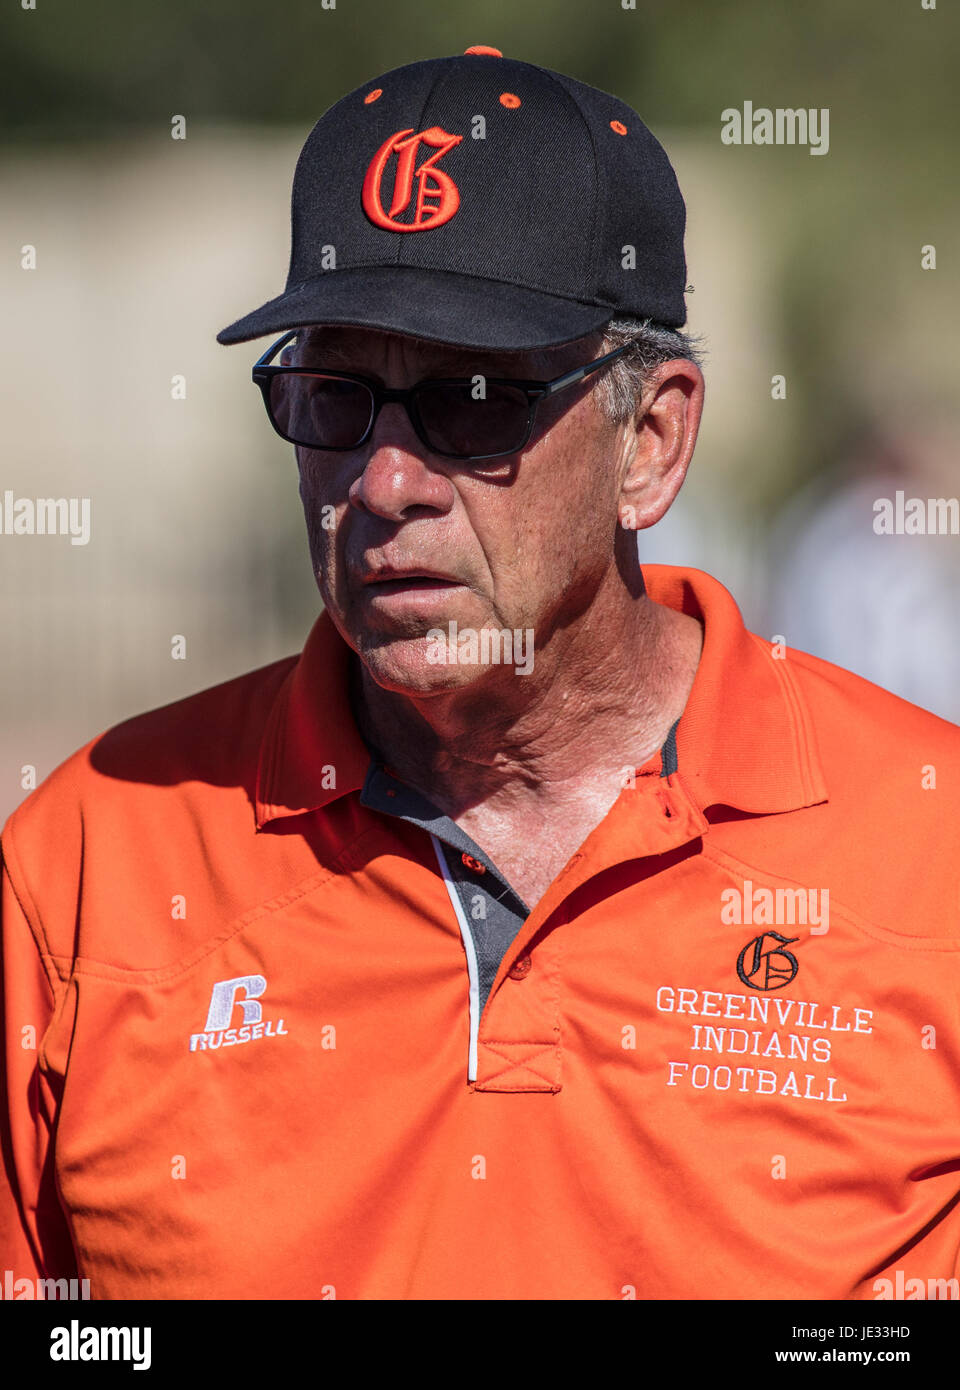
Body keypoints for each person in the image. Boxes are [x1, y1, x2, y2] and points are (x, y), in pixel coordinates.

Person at [2, 46, 958, 1303]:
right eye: (335, 397)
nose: (385, 482)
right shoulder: (90, 859)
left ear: (653, 442)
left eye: (468, 398)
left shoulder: (922, 851)